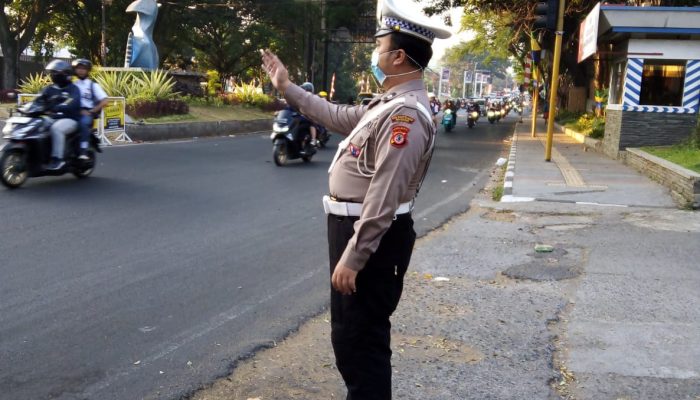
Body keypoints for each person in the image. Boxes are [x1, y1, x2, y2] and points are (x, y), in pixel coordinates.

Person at [262, 0, 450, 397]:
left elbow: (384, 193)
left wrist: (354, 255)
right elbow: (331, 114)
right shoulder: (384, 107)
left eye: (379, 46)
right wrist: (286, 87)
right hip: (353, 229)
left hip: (370, 237)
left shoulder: (406, 116)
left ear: (398, 56)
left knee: (361, 344)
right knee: (351, 339)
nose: (374, 54)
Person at [35, 60, 81, 170]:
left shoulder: (73, 89)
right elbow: (38, 100)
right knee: (36, 125)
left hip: (70, 119)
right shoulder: (49, 89)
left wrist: (59, 107)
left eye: (56, 73)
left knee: (56, 129)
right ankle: (38, 156)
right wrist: (28, 108)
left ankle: (57, 159)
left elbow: (72, 101)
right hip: (53, 118)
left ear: (65, 74)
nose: (53, 75)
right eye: (52, 73)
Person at [72, 58, 108, 159]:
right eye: (78, 68)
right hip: (73, 112)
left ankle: (83, 150)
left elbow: (105, 101)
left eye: (83, 68)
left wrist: (92, 111)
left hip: (87, 114)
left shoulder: (93, 86)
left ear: (88, 70)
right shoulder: (73, 85)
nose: (81, 70)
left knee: (83, 124)